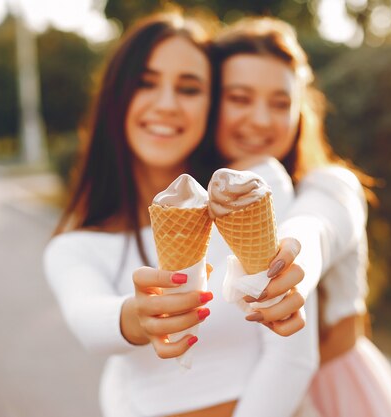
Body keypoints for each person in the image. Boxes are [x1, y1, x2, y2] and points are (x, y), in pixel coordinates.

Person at [43, 11, 319, 417]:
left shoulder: (254, 192)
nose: (167, 104)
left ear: (212, 105)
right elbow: (89, 323)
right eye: (145, 83)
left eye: (189, 89)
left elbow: (293, 357)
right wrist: (135, 317)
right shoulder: (74, 247)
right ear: (115, 97)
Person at [205, 16, 391, 417]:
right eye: (240, 98)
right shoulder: (196, 204)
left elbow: (316, 227)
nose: (262, 119)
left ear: (301, 111)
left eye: (281, 103)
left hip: (333, 397)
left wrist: (292, 257)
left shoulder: (329, 184)